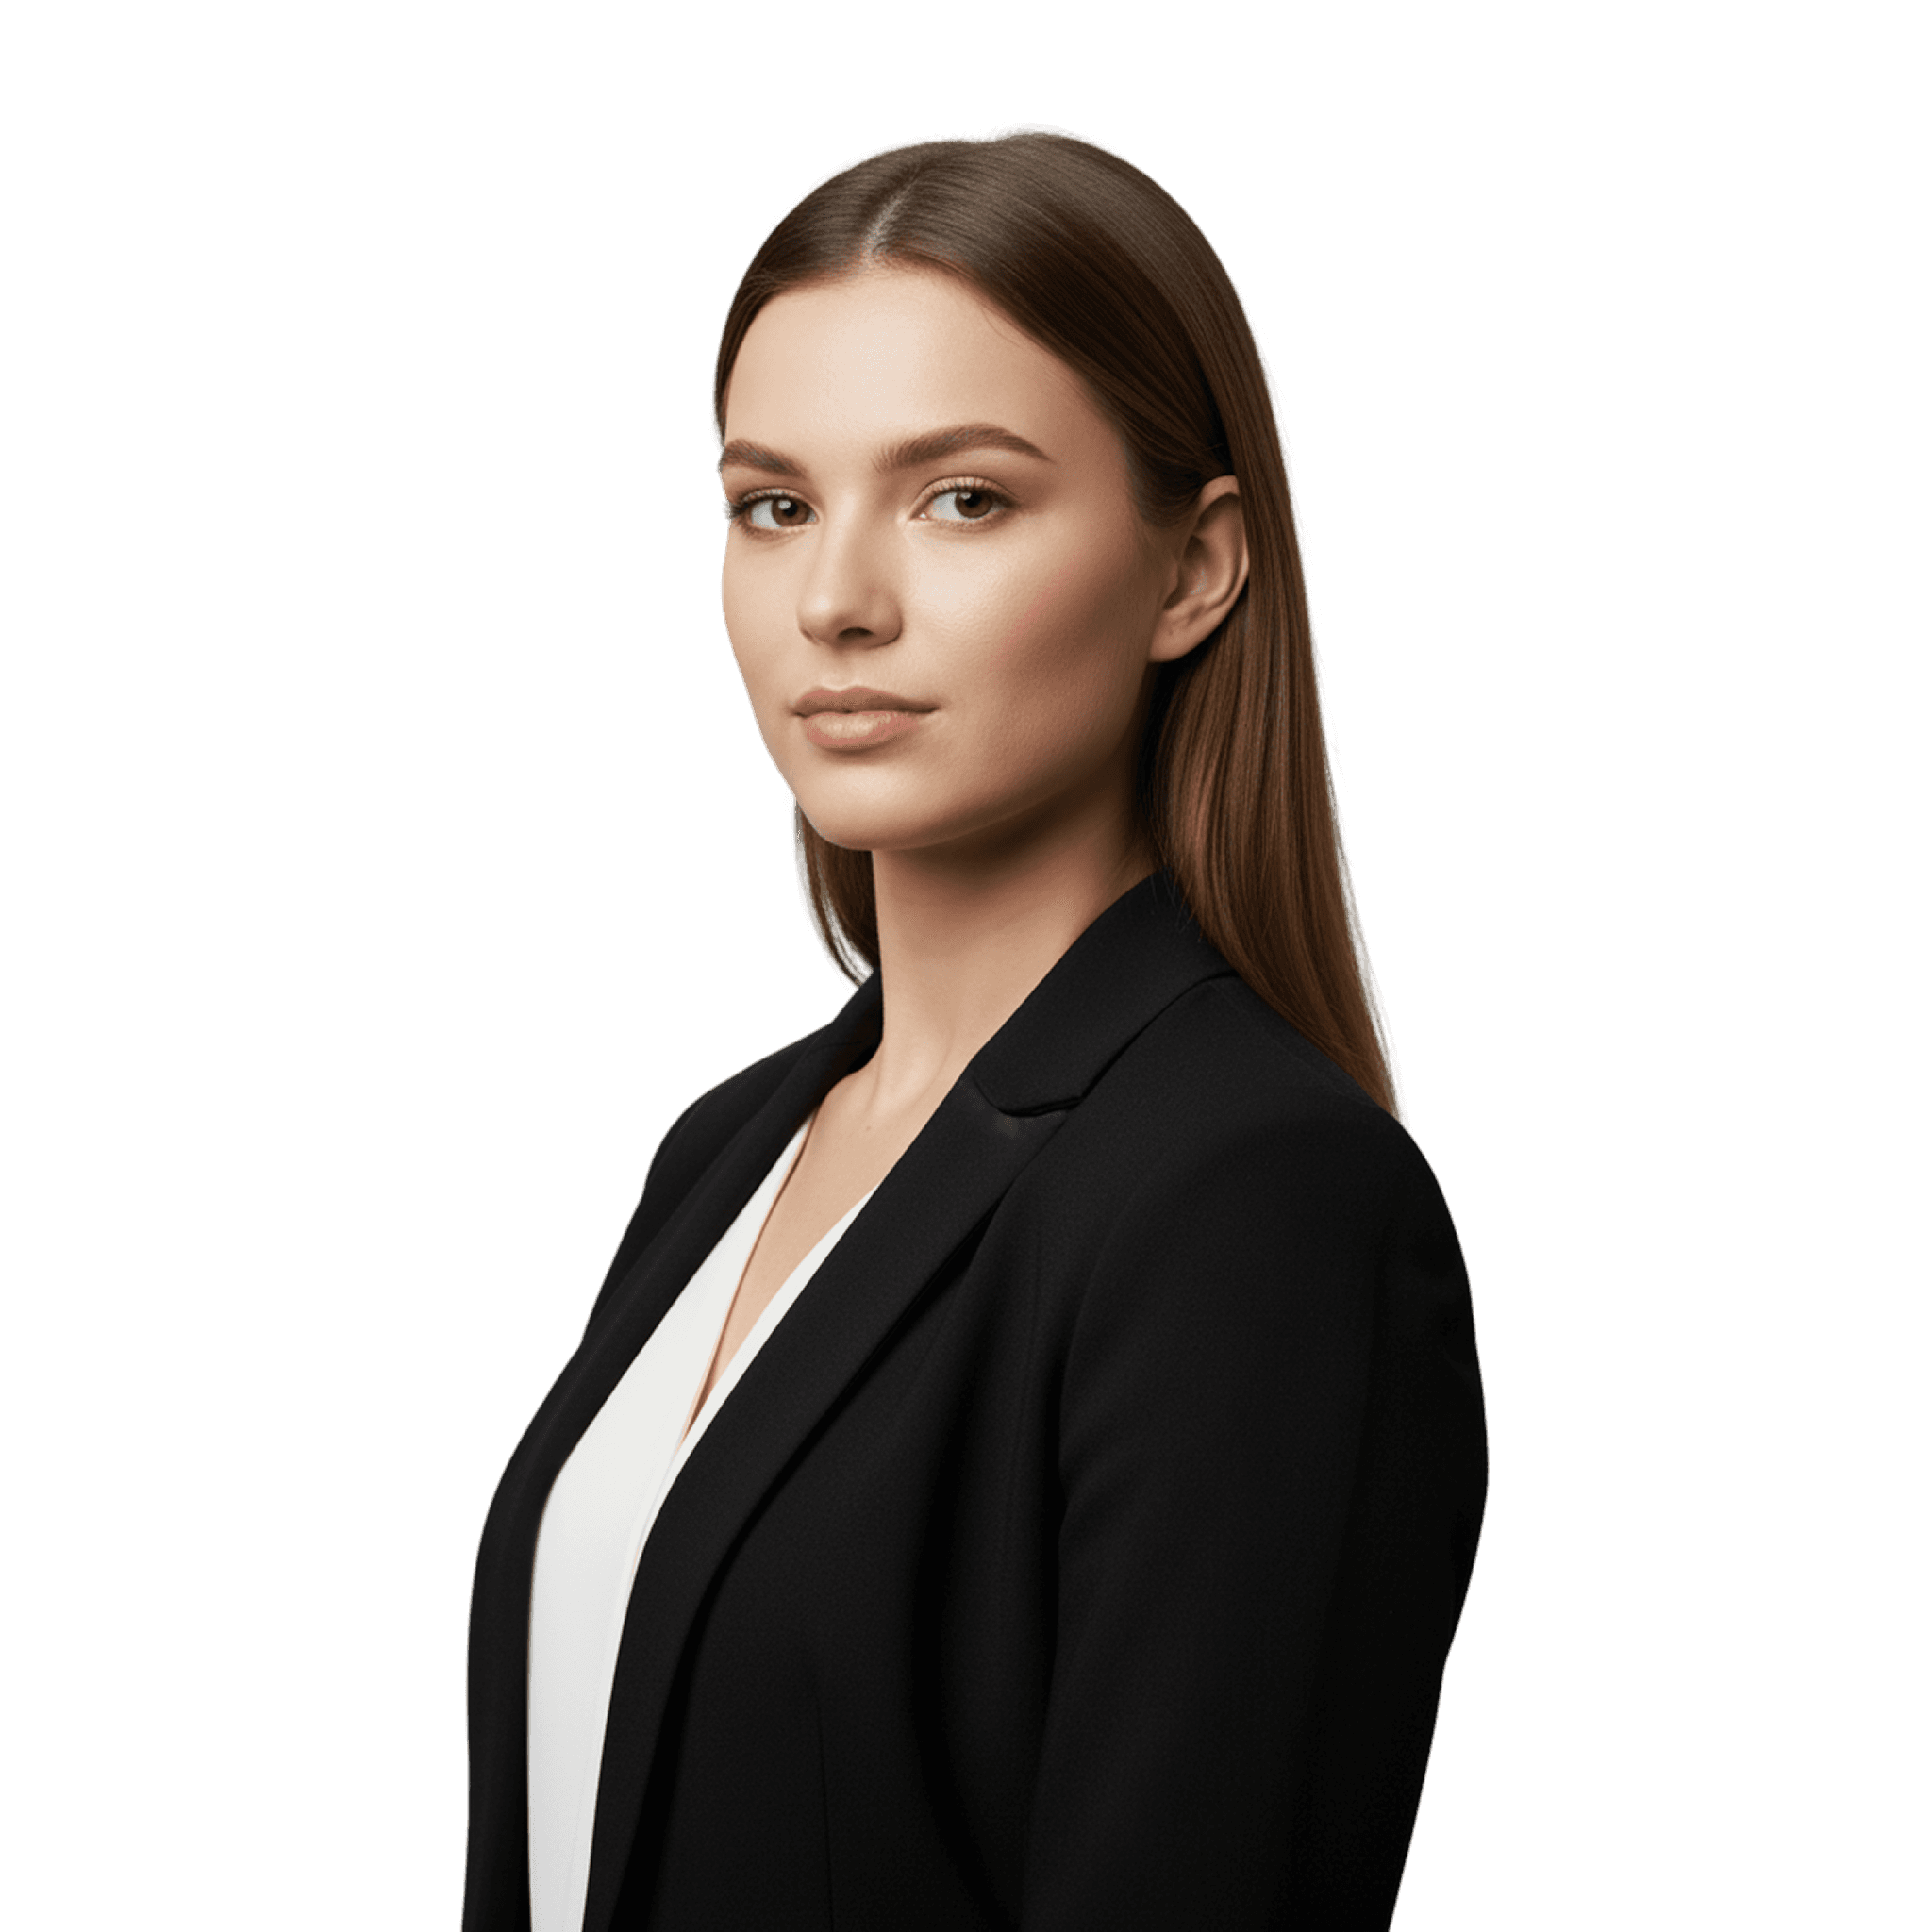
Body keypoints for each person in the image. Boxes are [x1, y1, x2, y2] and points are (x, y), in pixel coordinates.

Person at [462, 123, 1488, 1932]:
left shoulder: (1258, 1203)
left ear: (1196, 571)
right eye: (773, 503)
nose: (835, 600)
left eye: (964, 498)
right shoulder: (722, 1149)